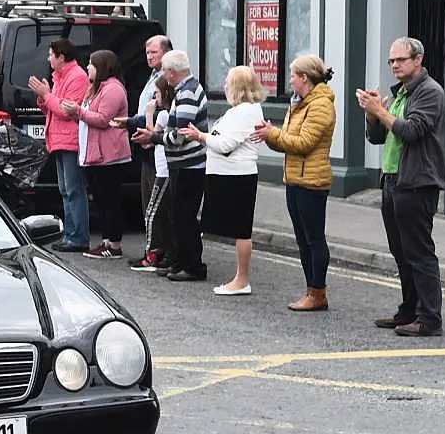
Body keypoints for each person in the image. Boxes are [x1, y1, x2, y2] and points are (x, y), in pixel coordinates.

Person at [360, 36, 445, 336]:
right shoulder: (399, 94)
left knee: (419, 252)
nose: (395, 65)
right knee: (400, 252)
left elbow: (411, 131)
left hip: (417, 182)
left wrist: (381, 112)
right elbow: (378, 138)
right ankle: (409, 310)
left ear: (418, 60)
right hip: (393, 180)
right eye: (391, 61)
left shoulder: (430, 92)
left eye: (400, 60)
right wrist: (372, 114)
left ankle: (429, 318)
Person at [252, 54, 336, 311]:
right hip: (295, 178)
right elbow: (289, 142)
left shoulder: (320, 104)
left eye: (292, 76)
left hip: (312, 180)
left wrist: (274, 133)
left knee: (313, 239)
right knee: (302, 239)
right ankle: (311, 290)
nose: (289, 81)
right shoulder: (299, 104)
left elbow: (304, 144)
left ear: (304, 78)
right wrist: (269, 135)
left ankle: (317, 291)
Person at [183, 66, 265, 295]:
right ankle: (240, 279)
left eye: (228, 82)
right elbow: (220, 139)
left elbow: (226, 144)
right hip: (229, 174)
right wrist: (208, 138)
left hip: (238, 175)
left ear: (238, 86)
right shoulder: (240, 111)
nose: (225, 86)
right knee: (237, 228)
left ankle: (242, 280)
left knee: (242, 229)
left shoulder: (245, 112)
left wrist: (200, 136)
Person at [136, 50, 210, 282]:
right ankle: (179, 262)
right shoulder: (185, 90)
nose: (165, 77)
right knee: (178, 215)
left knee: (185, 216)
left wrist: (154, 138)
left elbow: (181, 134)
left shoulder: (187, 93)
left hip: (190, 165)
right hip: (183, 164)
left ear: (172, 71)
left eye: (166, 72)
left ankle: (193, 265)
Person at [66, 50, 133, 260]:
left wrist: (79, 112)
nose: (87, 67)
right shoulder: (94, 89)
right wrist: (76, 114)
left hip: (109, 155)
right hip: (93, 153)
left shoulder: (113, 89)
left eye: (91, 64)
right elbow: (88, 118)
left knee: (110, 199)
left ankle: (114, 243)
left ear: (103, 66)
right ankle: (105, 240)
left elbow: (103, 119)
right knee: (101, 199)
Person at [28, 38, 92, 253]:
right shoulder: (61, 76)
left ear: (61, 57)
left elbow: (66, 111)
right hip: (59, 139)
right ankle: (71, 234)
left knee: (74, 190)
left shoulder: (77, 77)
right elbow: (54, 109)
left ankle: (78, 237)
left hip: (70, 140)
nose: (48, 58)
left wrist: (47, 96)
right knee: (65, 190)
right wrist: (44, 98)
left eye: (50, 55)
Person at [119, 35, 173, 271]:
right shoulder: (152, 76)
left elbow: (159, 112)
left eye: (154, 53)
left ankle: (157, 251)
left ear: (166, 53)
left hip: (158, 147)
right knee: (147, 201)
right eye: (148, 53)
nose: (150, 57)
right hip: (146, 144)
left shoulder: (167, 80)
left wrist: (132, 122)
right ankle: (156, 248)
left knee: (156, 204)